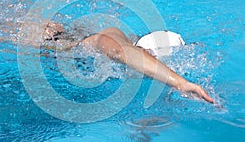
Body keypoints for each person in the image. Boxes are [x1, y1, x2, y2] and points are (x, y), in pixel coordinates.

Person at [28, 20, 214, 103]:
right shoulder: (112, 39)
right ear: (142, 52)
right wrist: (181, 83)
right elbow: (120, 50)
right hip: (46, 43)